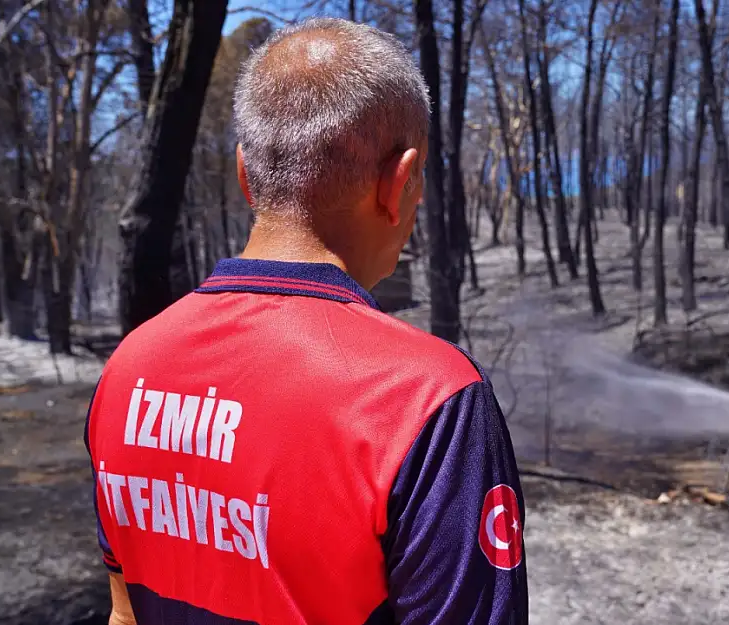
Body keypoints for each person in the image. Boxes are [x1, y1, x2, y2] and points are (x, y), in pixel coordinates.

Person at [85, 18, 528, 625]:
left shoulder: (128, 369)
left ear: (246, 175)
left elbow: (124, 613)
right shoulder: (429, 399)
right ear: (400, 183)